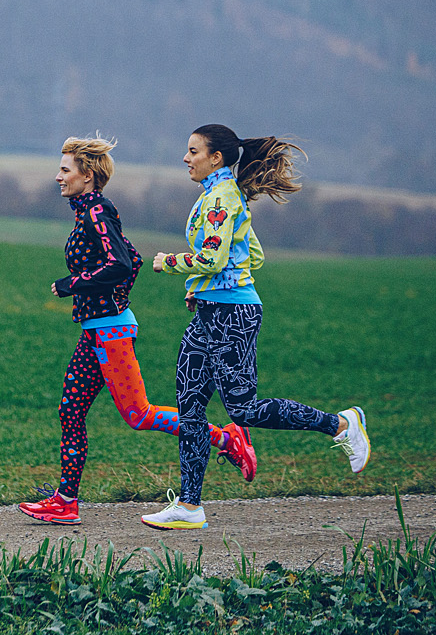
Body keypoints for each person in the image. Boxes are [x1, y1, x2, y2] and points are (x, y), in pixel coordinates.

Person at [142, 123, 371, 531]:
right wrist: (206, 290)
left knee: (244, 408)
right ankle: (190, 507)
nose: (185, 157)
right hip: (211, 313)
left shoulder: (220, 198)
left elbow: (212, 259)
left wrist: (169, 262)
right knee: (190, 407)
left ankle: (340, 424)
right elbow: (253, 256)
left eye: (193, 151)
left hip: (232, 318)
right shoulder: (225, 196)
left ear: (216, 158)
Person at [19, 136, 254, 527]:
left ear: (87, 175)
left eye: (65, 170)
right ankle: (65, 501)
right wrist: (109, 299)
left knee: (138, 414)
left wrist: (73, 285)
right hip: (96, 330)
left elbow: (122, 263)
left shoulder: (96, 212)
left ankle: (228, 440)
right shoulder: (86, 212)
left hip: (110, 334)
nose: (57, 177)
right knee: (70, 410)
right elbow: (135, 259)